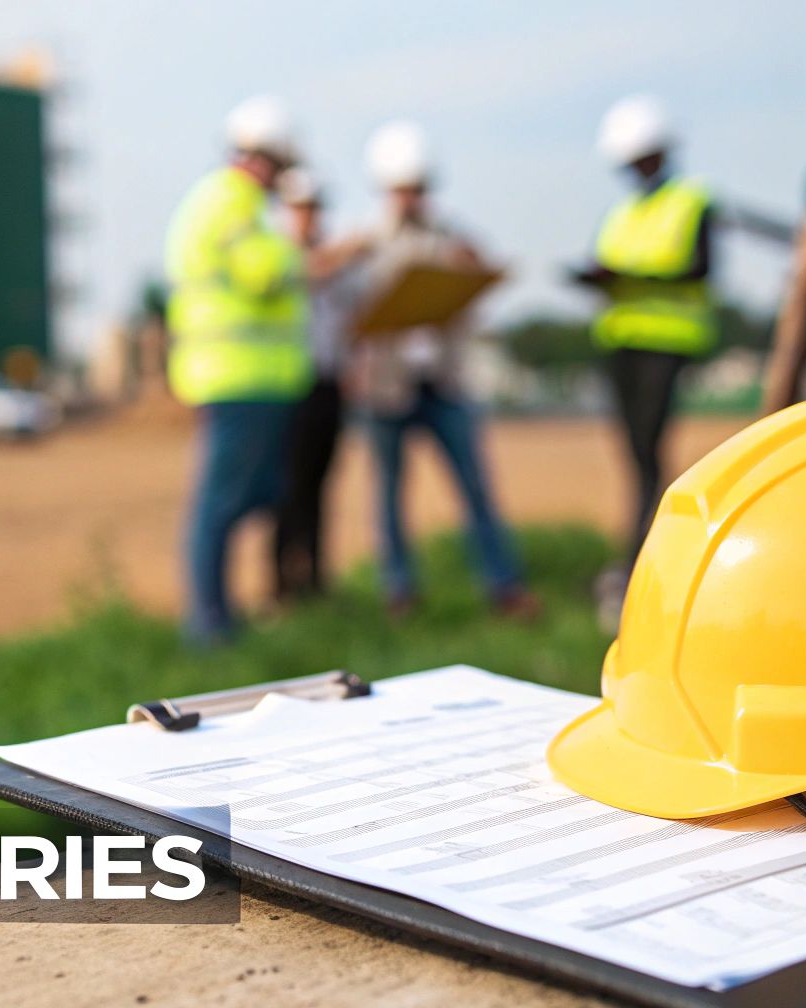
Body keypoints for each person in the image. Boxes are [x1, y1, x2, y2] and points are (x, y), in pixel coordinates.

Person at [345, 121, 538, 619]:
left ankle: (503, 585)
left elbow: (474, 292)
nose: (411, 198)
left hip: (443, 382)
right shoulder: (364, 243)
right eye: (402, 189)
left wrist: (468, 269)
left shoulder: (452, 237)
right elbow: (346, 314)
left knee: (475, 485)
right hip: (386, 387)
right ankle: (399, 590)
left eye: (418, 189)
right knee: (388, 491)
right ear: (386, 189)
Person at [164, 95, 313, 645]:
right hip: (237, 376)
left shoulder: (229, 201)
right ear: (269, 158)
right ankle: (208, 627)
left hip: (252, 378)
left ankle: (216, 618)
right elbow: (263, 274)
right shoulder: (233, 201)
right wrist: (300, 252)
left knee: (260, 491)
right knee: (221, 503)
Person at [572, 95, 717, 620]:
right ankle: (640, 554)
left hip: (668, 343)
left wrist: (630, 280)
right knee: (637, 457)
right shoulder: (624, 211)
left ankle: (645, 556)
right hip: (622, 343)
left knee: (650, 456)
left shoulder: (694, 200)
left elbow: (700, 269)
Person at [271, 168, 363, 601]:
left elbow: (350, 323)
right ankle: (282, 585)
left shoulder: (336, 266)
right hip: (288, 387)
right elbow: (308, 272)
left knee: (320, 488)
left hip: (328, 386)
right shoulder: (276, 259)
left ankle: (315, 581)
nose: (307, 216)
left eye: (312, 208)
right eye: (299, 208)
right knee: (286, 487)